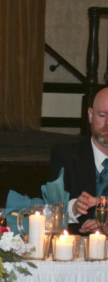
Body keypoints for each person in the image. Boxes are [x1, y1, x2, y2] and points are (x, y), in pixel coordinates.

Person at [48, 87, 108, 235]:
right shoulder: (65, 156)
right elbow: (48, 207)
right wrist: (74, 208)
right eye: (102, 115)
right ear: (90, 115)